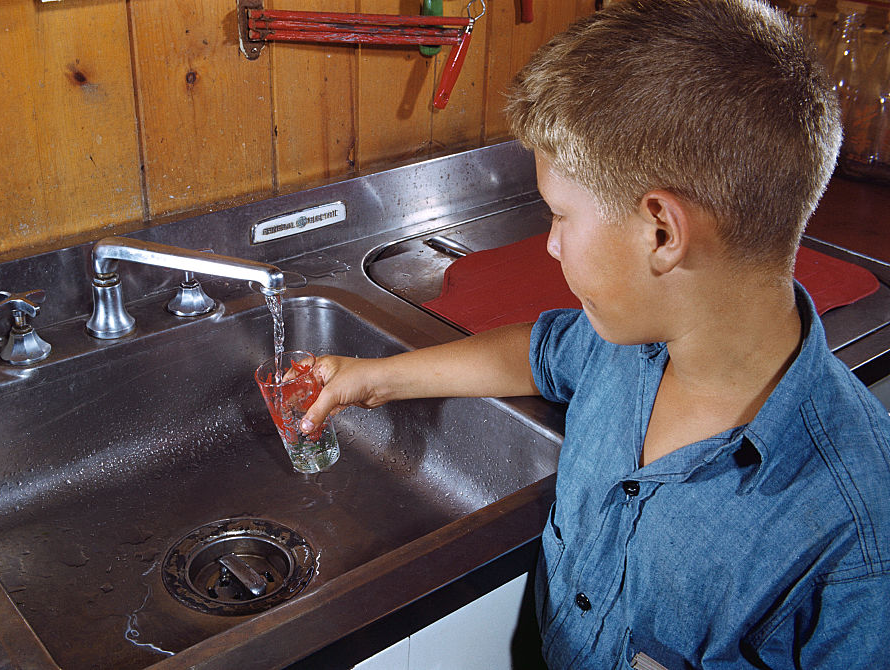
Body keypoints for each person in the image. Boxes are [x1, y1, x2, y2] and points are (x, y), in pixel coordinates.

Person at [299, 0, 890, 666]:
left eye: (559, 216)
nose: (550, 246)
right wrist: (373, 378)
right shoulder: (625, 345)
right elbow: (538, 350)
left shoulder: (858, 533)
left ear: (662, 232)